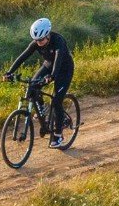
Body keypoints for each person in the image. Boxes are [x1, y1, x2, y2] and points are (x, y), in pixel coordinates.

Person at [5, 17, 75, 149]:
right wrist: (9, 72)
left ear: (48, 35)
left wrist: (52, 76)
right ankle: (42, 108)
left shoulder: (58, 41)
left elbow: (59, 59)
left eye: (41, 39)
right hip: (49, 65)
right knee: (32, 85)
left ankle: (59, 136)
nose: (39, 43)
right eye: (36, 40)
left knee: (56, 101)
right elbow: (22, 57)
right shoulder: (36, 43)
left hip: (64, 69)